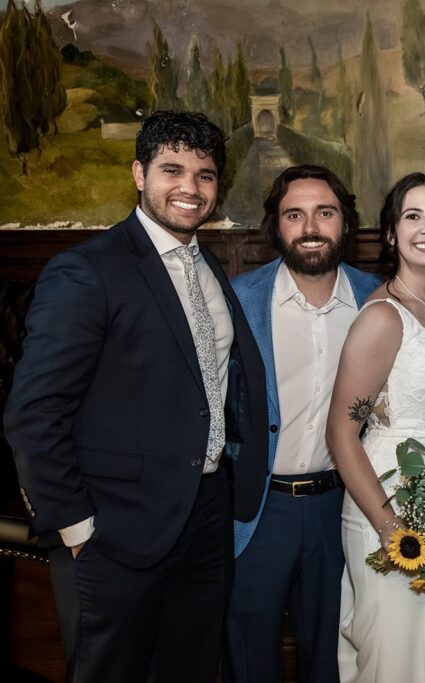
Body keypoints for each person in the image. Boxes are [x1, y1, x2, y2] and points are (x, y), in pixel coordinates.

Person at [3, 111, 267, 682]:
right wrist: (77, 529)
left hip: (204, 519)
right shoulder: (87, 271)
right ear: (138, 173)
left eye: (205, 175)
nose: (190, 188)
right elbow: (33, 414)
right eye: (172, 170)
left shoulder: (208, 269)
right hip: (115, 531)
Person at [326, 173, 425, 683]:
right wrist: (391, 527)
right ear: (391, 234)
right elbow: (339, 434)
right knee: (404, 660)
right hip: (394, 505)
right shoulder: (383, 317)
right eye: (412, 216)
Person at [224, 165, 379, 683]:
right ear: (277, 226)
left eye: (325, 212)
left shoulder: (378, 300)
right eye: (295, 214)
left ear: (345, 224)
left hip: (343, 510)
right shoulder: (239, 300)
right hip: (258, 511)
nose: (310, 226)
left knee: (333, 658)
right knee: (249, 654)